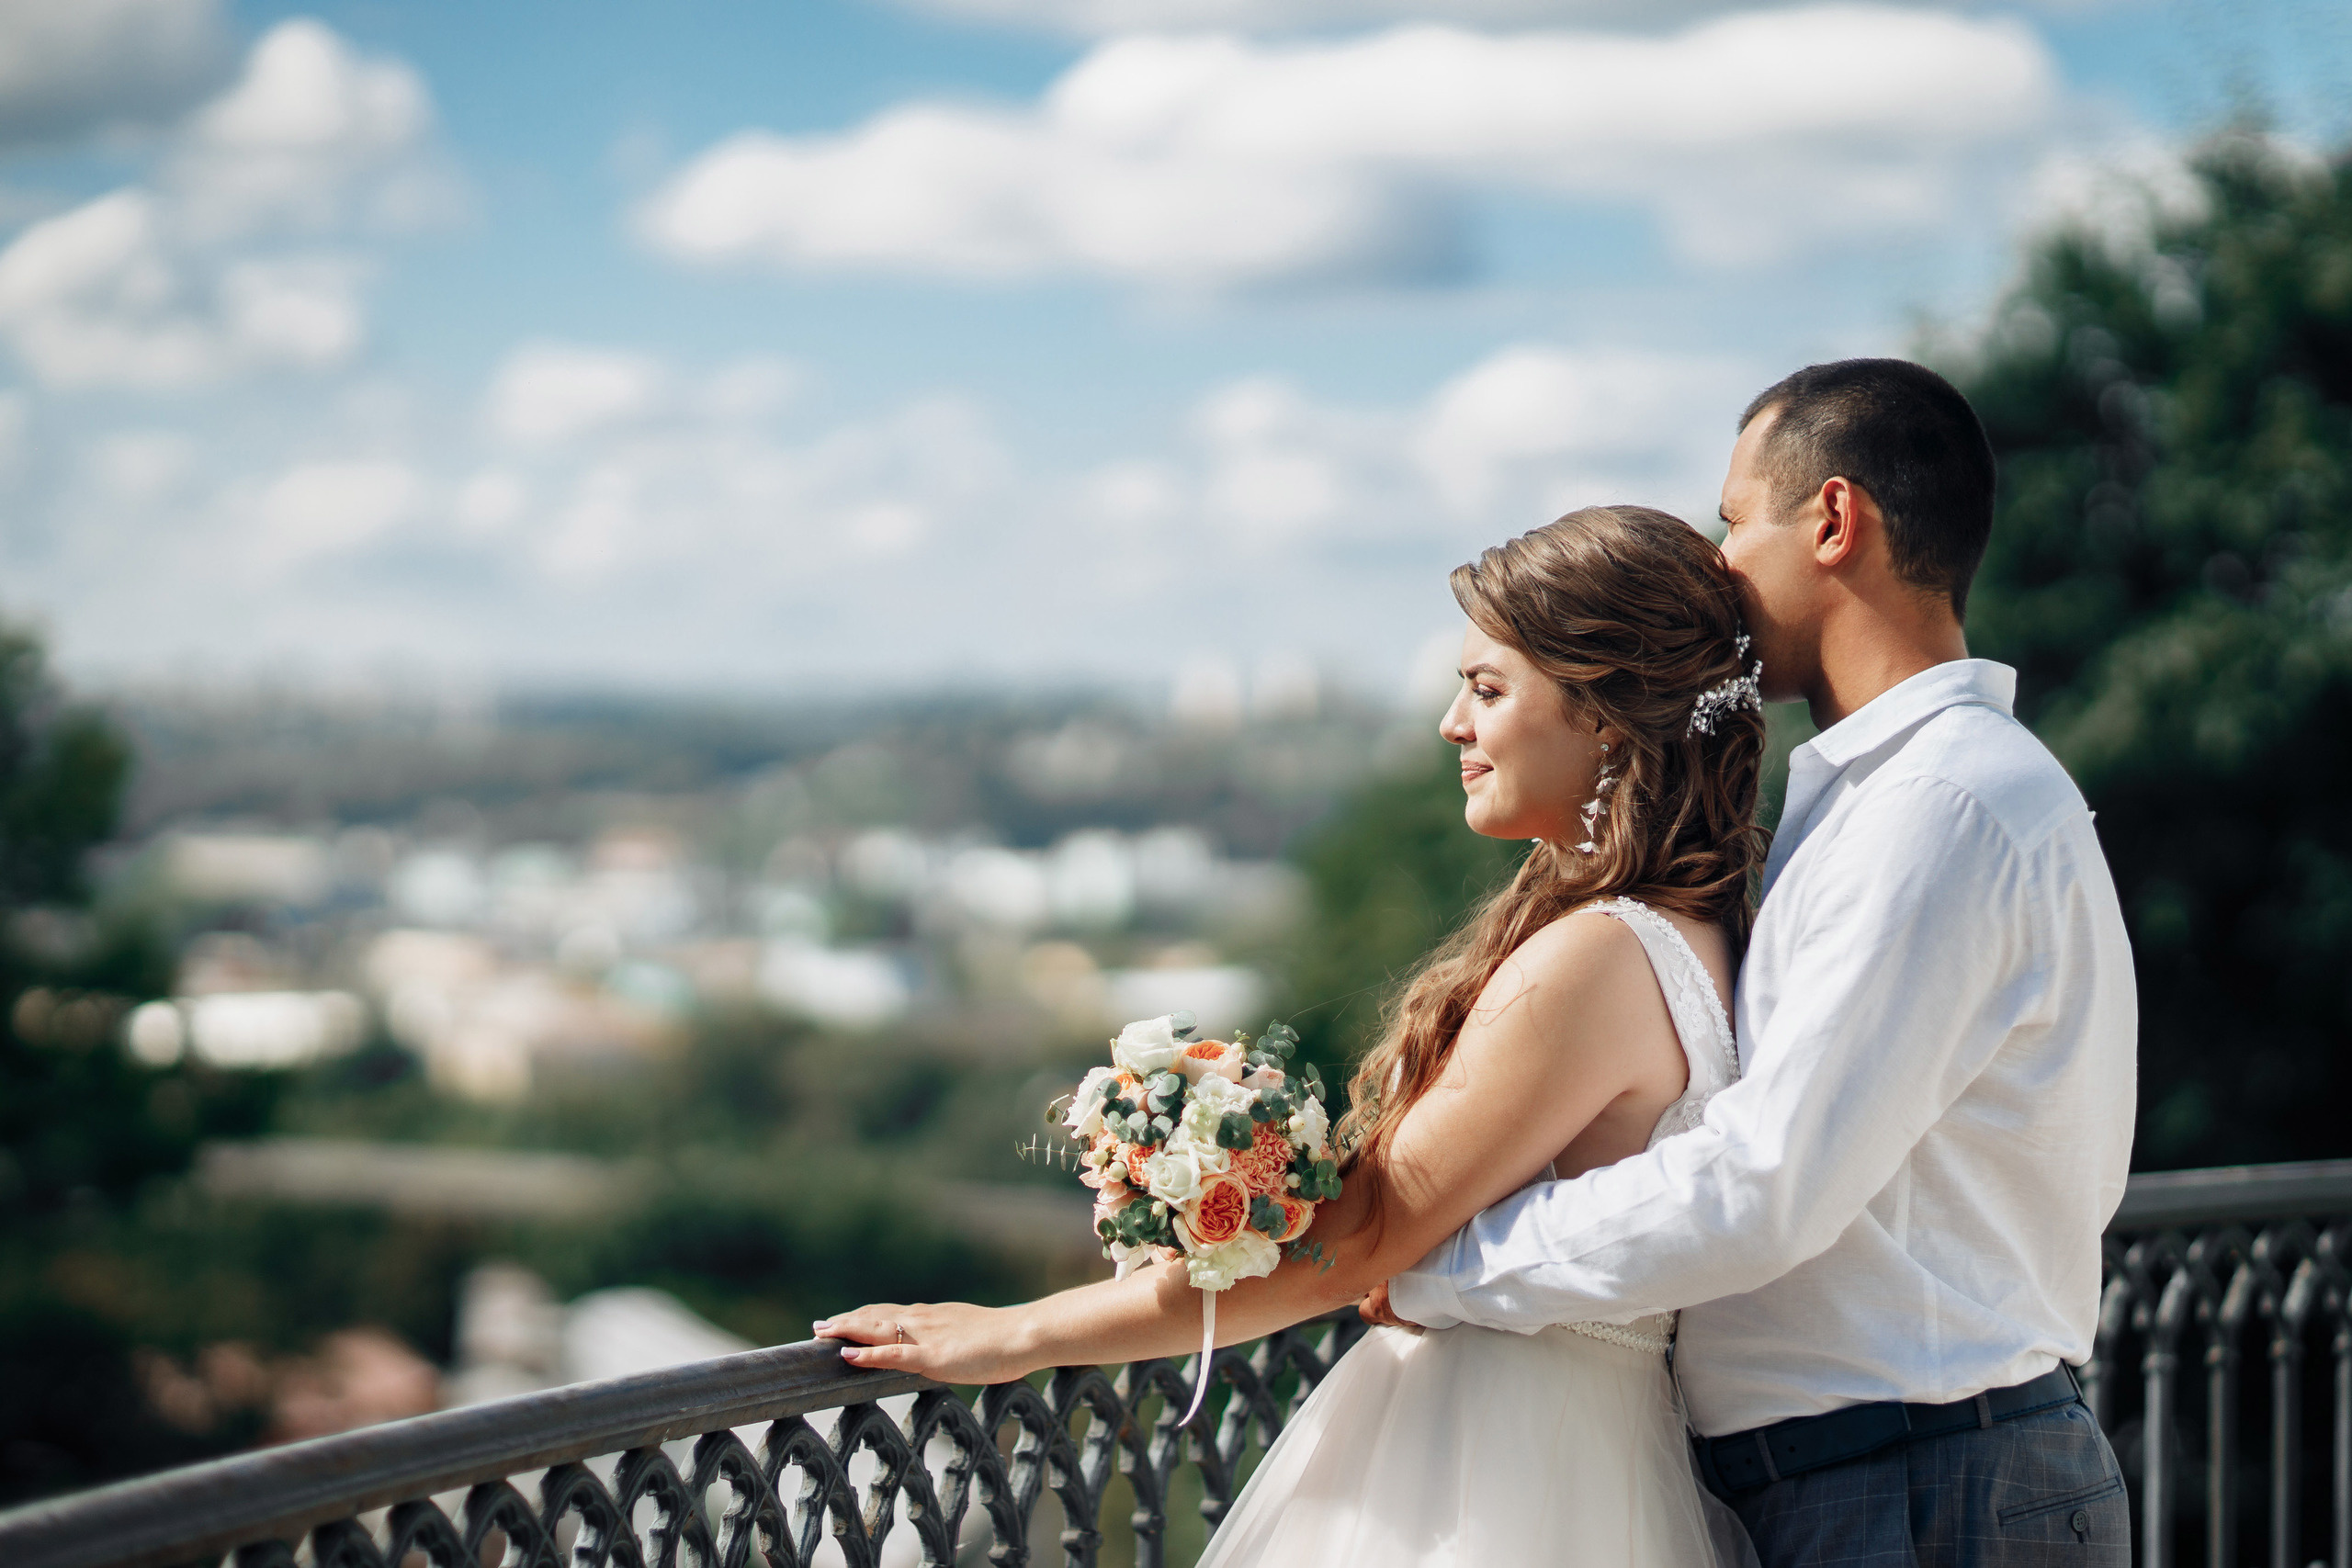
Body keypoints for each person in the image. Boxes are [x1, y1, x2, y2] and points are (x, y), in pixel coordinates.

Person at [819, 502, 1771, 1566]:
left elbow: (1355, 1243)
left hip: (1494, 1469)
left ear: (1602, 716)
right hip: (1571, 1447)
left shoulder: (1597, 957)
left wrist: (1013, 1334)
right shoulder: (1702, 928)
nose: (1452, 724)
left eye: (1487, 690)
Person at [1374, 358, 2139, 1568]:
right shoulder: (1890, 797)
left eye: (1734, 520)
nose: (1719, 562)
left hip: (1922, 1483)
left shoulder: (1938, 805)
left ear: (1833, 521)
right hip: (1896, 1474)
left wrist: (1448, 1264)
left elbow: (1766, 1179)